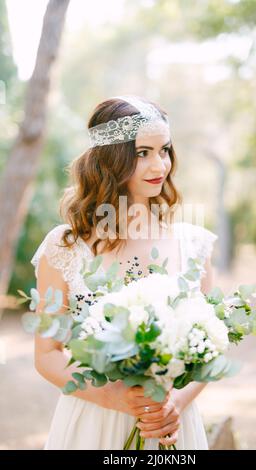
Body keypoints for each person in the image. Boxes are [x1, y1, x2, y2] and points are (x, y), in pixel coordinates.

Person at [32, 94, 218, 450]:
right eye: (141, 153)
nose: (158, 166)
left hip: (170, 424)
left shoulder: (193, 244)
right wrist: (117, 399)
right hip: (92, 422)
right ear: (110, 159)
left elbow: (211, 351)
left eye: (164, 150)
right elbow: (47, 354)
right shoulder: (65, 247)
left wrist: (174, 406)